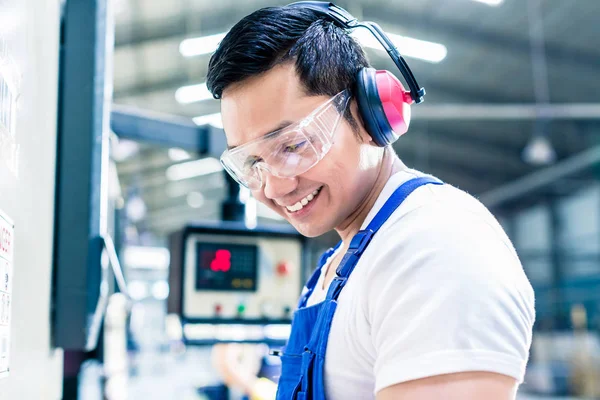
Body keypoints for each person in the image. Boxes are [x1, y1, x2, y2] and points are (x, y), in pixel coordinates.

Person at [206, 2, 535, 399]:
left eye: (292, 145)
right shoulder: (340, 263)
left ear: (369, 112)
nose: (274, 188)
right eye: (253, 161)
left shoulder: (436, 248)